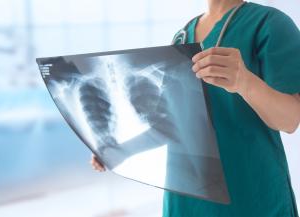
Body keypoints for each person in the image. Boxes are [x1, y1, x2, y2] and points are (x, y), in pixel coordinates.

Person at [91, 0, 300, 216]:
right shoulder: (182, 36)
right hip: (185, 198)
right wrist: (119, 151)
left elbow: (290, 120)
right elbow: (172, 125)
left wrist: (245, 82)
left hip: (248, 195)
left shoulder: (269, 24)